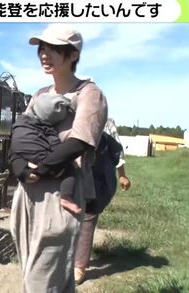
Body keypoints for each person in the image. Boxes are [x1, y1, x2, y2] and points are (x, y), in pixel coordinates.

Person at [10, 24, 108, 292]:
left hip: (60, 196)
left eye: (54, 49)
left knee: (39, 283)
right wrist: (18, 166)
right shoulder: (40, 95)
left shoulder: (89, 93)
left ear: (73, 55)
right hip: (26, 194)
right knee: (53, 281)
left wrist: (40, 169)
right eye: (42, 48)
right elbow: (21, 133)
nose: (44, 54)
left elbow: (80, 141)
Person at [74, 118, 132, 284]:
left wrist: (122, 175)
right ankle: (68, 258)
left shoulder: (105, 121)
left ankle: (80, 265)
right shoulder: (69, 114)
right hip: (72, 173)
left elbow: (116, 150)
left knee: (88, 217)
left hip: (98, 176)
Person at [10, 93, 82, 214]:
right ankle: (66, 197)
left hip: (21, 154)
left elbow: (13, 141)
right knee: (70, 169)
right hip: (42, 160)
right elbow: (56, 147)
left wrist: (18, 161)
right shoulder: (47, 128)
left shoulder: (20, 121)